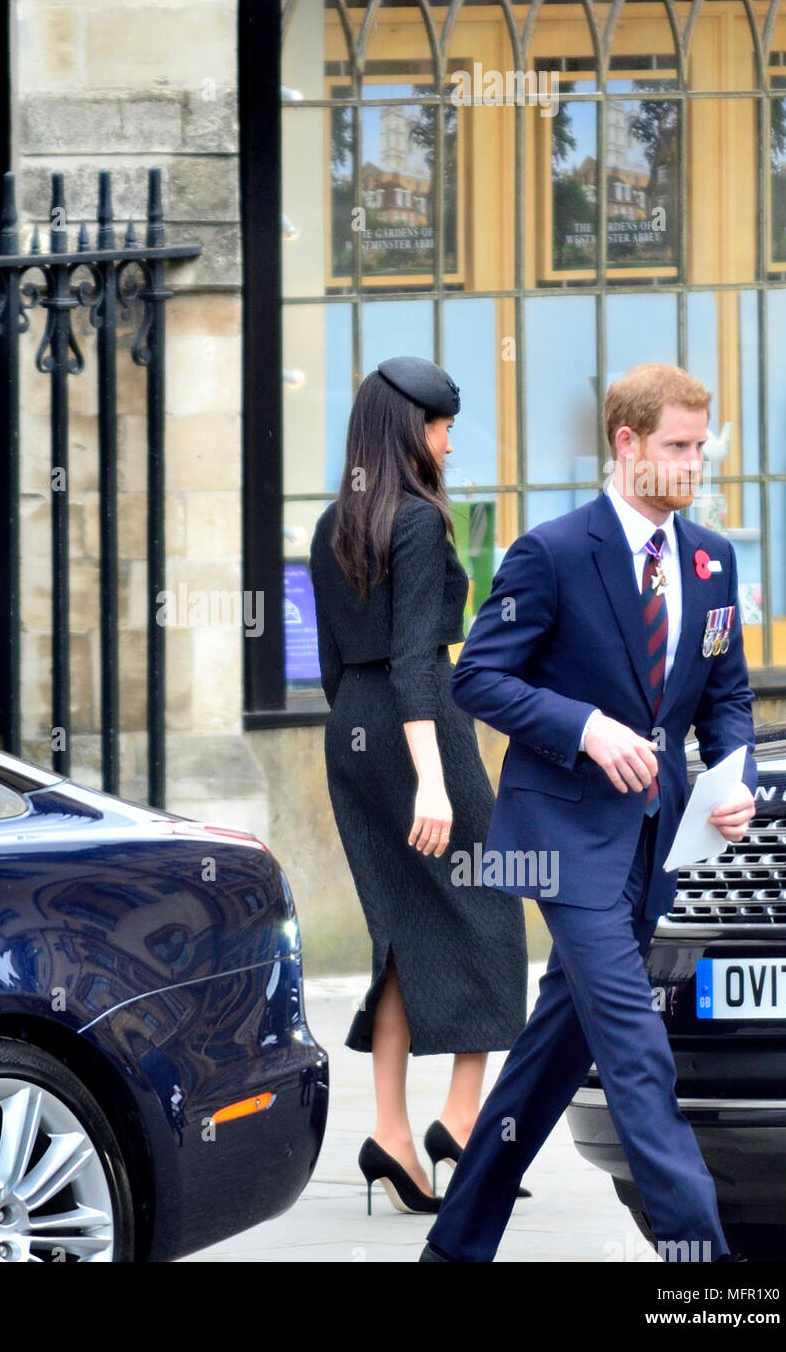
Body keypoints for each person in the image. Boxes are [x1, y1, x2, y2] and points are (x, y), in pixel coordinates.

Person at [419, 362, 757, 1264]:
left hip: (656, 842)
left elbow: (726, 694)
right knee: (638, 1052)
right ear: (627, 442)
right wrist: (587, 728)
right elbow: (476, 676)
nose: (695, 463)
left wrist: (735, 775)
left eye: (701, 446)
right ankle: (706, 1274)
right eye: (679, 446)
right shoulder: (554, 552)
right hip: (563, 844)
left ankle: (452, 1251)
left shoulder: (712, 558)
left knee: (551, 1057)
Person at [310, 356, 528, 1215]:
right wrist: (432, 779)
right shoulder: (420, 522)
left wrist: (367, 751)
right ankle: (462, 1120)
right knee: (490, 907)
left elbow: (336, 667)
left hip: (352, 734)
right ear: (412, 431)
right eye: (441, 425)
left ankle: (392, 1134)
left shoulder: (334, 521)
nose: (448, 439)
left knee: (400, 930)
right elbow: (412, 659)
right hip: (420, 723)